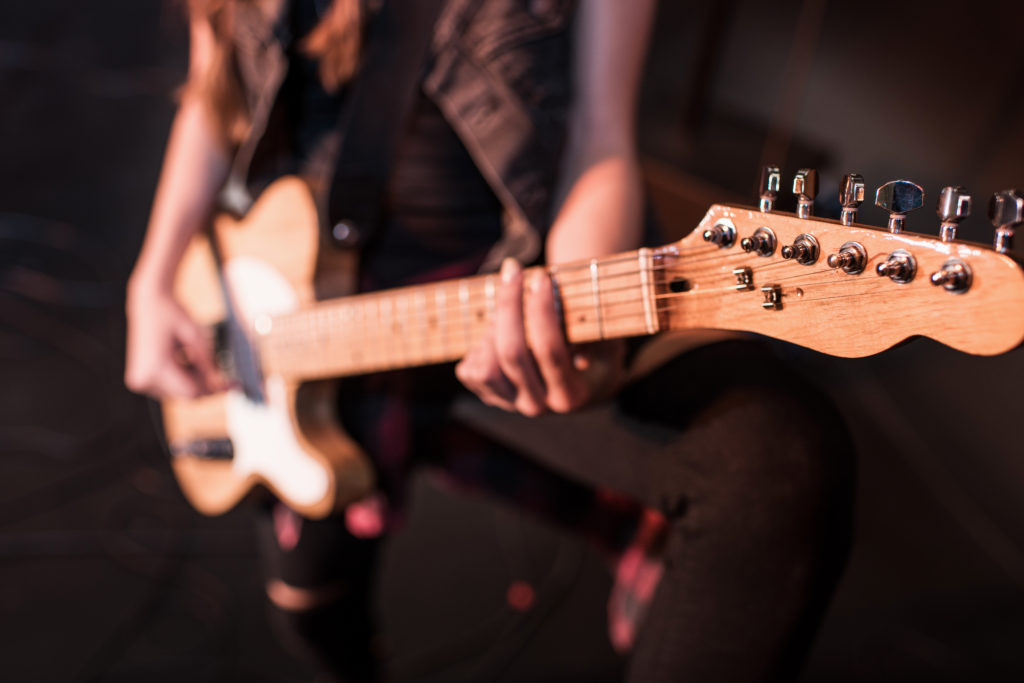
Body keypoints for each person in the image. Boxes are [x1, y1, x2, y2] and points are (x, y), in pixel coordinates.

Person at [125, 0, 854, 680]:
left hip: (491, 292)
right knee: (311, 618)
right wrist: (153, 278)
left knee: (773, 463)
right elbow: (210, 92)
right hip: (288, 304)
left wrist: (576, 321)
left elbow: (600, 139)